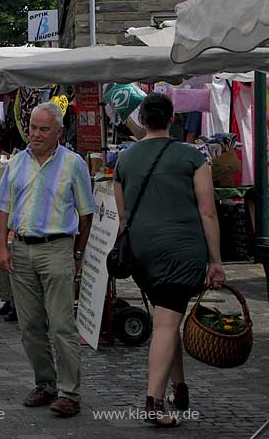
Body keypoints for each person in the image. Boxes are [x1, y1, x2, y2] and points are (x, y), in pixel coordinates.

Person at [113, 93, 224, 428]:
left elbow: (122, 217)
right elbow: (207, 211)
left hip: (142, 251)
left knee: (166, 316)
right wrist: (216, 260)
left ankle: (180, 388)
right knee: (165, 323)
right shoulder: (192, 157)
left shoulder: (124, 160)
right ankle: (153, 402)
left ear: (143, 119)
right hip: (181, 251)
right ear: (173, 117)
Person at [0, 101, 96, 418]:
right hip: (21, 249)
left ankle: (69, 392)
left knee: (62, 325)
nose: (35, 134)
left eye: (43, 129)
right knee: (30, 326)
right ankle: (45, 383)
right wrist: (2, 247)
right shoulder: (16, 163)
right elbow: (2, 207)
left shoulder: (73, 164)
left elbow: (86, 213)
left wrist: (77, 252)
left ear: (59, 133)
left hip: (56, 247)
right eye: (33, 128)